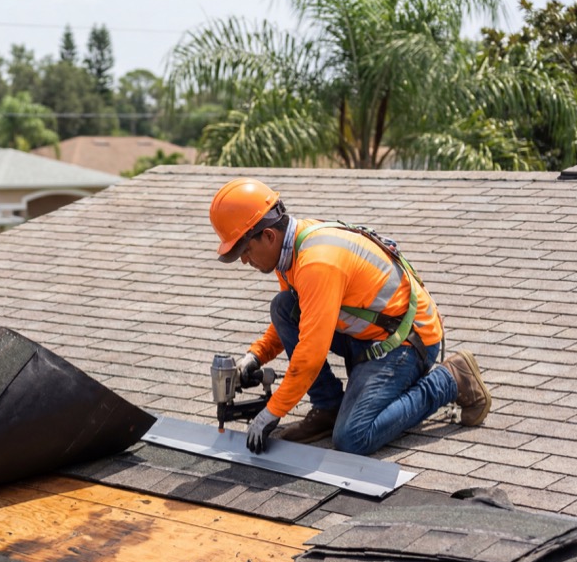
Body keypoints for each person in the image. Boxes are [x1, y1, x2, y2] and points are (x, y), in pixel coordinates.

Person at [208, 177, 490, 457]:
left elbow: (310, 354)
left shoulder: (317, 262)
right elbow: (302, 314)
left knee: (353, 437)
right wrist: (256, 356)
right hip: (371, 333)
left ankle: (450, 379)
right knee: (284, 306)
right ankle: (328, 408)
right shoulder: (291, 248)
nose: (245, 260)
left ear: (268, 236)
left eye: (245, 251)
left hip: (406, 342)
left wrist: (272, 411)